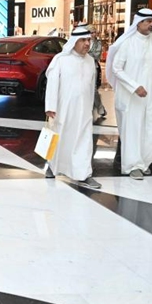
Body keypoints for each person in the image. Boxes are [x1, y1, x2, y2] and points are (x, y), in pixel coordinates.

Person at [106, 8, 152, 180]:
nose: (151, 24)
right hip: (130, 94)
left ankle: (144, 162)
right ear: (138, 23)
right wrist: (134, 86)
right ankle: (133, 166)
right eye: (147, 21)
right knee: (133, 130)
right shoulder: (127, 42)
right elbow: (116, 69)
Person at [44, 25, 101, 189]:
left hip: (83, 110)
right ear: (74, 41)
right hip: (63, 109)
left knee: (84, 140)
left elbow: (91, 87)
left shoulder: (90, 61)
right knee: (60, 138)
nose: (86, 44)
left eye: (88, 40)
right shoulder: (60, 60)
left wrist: (92, 107)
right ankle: (53, 166)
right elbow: (52, 84)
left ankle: (84, 174)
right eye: (83, 40)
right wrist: (51, 106)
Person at [87, 28, 107, 118]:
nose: (92, 34)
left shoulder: (98, 43)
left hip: (92, 66)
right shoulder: (83, 41)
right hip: (81, 67)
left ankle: (100, 108)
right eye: (90, 32)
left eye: (94, 32)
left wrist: (85, 54)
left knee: (93, 89)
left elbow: (96, 55)